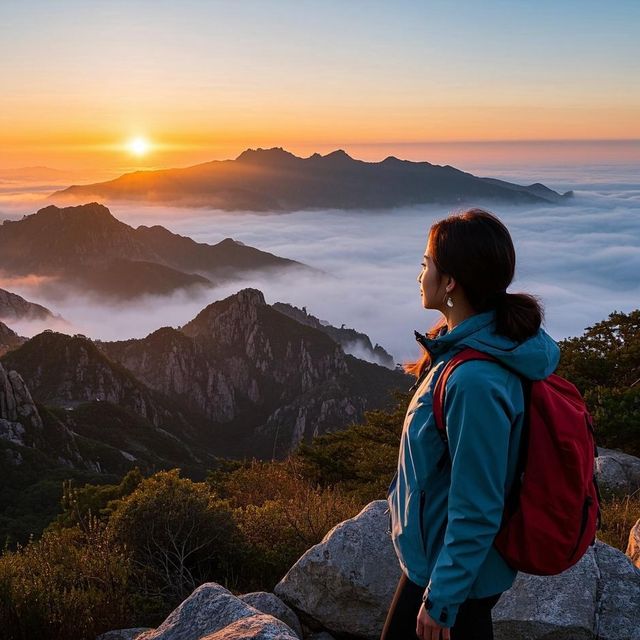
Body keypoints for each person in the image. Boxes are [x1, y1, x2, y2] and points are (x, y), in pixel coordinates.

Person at [381, 208, 560, 640]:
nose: (419, 274)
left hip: (453, 578)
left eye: (426, 264)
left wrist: (443, 600)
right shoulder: (465, 350)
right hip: (445, 566)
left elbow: (478, 504)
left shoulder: (474, 381)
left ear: (450, 283)